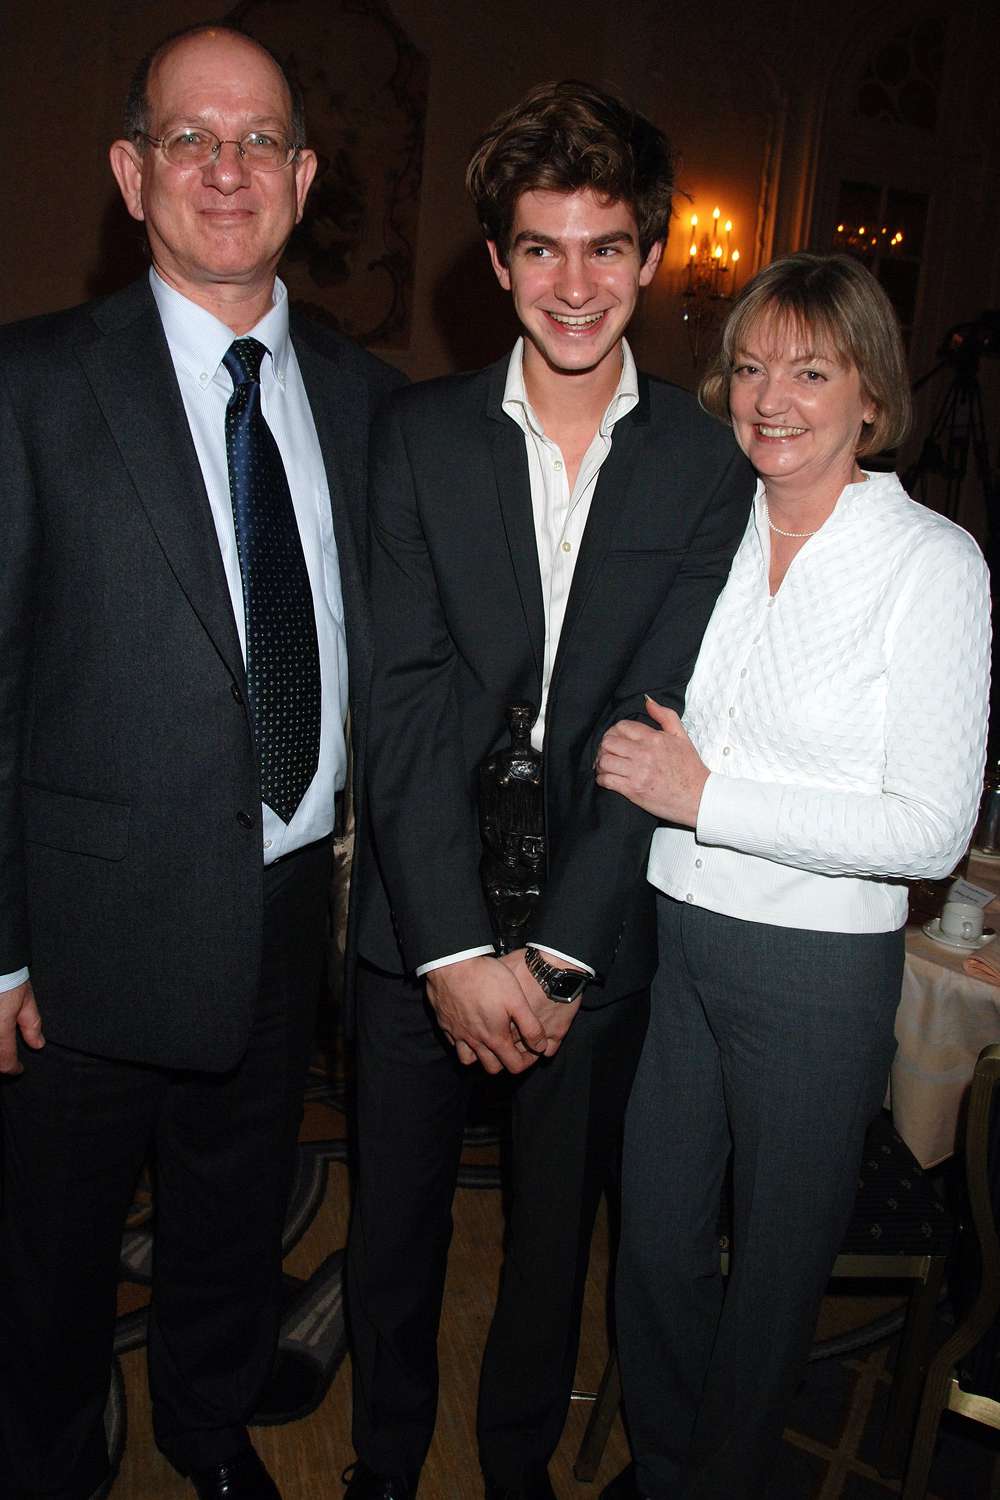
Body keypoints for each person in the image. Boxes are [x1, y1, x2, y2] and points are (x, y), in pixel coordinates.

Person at [0, 23, 402, 1500]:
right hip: (79, 946)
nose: (226, 169)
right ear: (131, 171)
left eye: (258, 141)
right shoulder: (30, 387)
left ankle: (208, 1433)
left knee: (235, 1225)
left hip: (285, 915)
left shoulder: (367, 400)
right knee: (47, 1260)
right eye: (190, 138)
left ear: (301, 175)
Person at [344, 82, 754, 1500]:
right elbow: (393, 705)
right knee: (387, 1235)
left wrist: (563, 952)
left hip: (594, 926)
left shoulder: (709, 466)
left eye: (605, 248)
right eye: (540, 249)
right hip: (419, 927)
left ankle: (514, 1469)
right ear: (499, 261)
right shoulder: (417, 433)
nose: (574, 286)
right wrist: (454, 950)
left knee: (545, 1248)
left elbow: (661, 716)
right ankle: (383, 1469)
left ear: (646, 257)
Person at [594, 251, 991, 1500]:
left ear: (870, 392)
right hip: (680, 941)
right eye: (752, 366)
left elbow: (929, 831)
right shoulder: (712, 526)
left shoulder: (932, 561)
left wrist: (708, 799)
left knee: (770, 1280)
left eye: (810, 370)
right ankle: (664, 1468)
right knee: (653, 1247)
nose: (771, 397)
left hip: (818, 975)